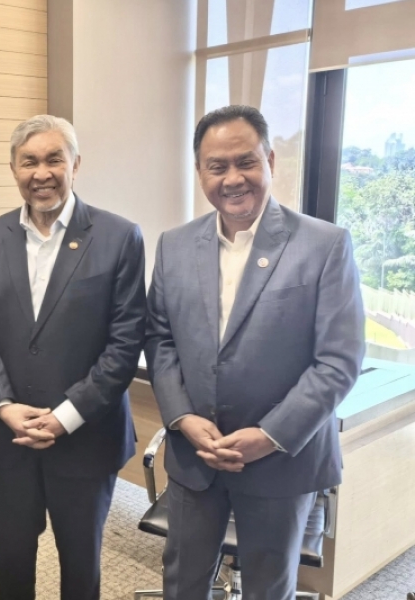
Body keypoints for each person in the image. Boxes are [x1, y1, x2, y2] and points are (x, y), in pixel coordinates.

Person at [145, 104, 365, 599]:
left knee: (268, 589)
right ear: (199, 171)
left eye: (245, 161)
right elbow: (159, 338)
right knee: (181, 583)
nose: (232, 179)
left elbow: (338, 359)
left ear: (270, 160)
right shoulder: (174, 245)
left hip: (281, 461)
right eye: (216, 166)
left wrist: (270, 435)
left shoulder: (325, 244)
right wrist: (182, 417)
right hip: (196, 455)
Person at [0, 114, 147, 600]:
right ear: (13, 169)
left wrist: (66, 416)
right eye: (29, 162)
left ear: (75, 165)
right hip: (8, 438)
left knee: (81, 571)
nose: (41, 173)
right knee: (11, 565)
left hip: (86, 438)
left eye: (53, 160)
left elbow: (125, 343)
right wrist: (3, 406)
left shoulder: (119, 237)